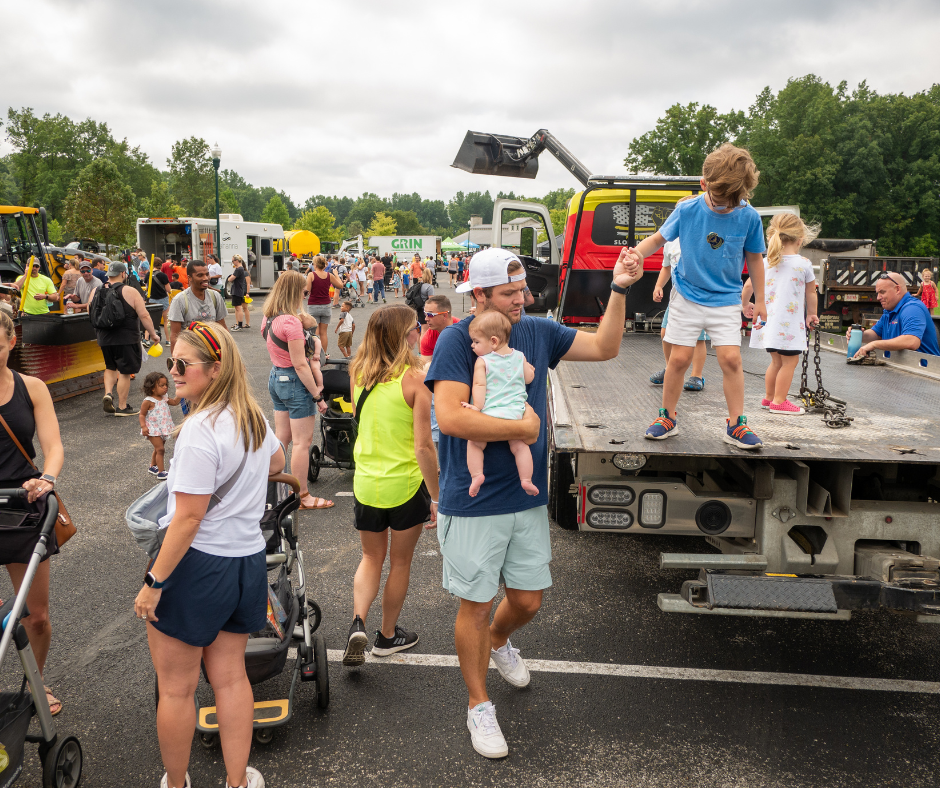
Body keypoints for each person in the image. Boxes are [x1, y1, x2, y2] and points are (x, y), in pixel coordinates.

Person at [425, 246, 641, 758]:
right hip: (474, 499)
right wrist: (522, 427)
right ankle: (479, 707)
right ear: (478, 295)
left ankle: (500, 643)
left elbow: (607, 347)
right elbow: (452, 418)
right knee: (474, 606)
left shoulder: (539, 331)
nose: (522, 299)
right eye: (508, 292)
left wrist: (619, 288)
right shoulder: (459, 340)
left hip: (525, 496)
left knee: (527, 600)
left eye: (523, 289)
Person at [134, 321, 280, 788]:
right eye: (170, 363)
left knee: (177, 689)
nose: (173, 372)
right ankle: (237, 781)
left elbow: (189, 518)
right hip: (247, 561)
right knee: (232, 679)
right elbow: (277, 462)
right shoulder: (250, 416)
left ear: (214, 370)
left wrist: (154, 582)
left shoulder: (198, 428)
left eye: (182, 365)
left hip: (199, 565)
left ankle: (177, 783)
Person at [627, 143, 767, 449]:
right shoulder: (688, 209)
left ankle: (736, 424)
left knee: (731, 359)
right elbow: (657, 239)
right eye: (720, 201)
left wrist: (762, 301)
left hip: (726, 299)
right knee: (678, 359)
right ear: (704, 185)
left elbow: (755, 259)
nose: (726, 207)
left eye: (735, 201)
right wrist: (635, 254)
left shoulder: (749, 216)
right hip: (687, 295)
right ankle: (667, 417)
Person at [341, 305, 440, 668]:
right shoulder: (415, 379)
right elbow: (423, 446)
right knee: (400, 562)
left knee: (370, 557)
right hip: (407, 483)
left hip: (367, 482)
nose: (420, 331)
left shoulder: (359, 372)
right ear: (405, 334)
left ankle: (358, 621)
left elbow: (359, 417)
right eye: (416, 327)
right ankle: (386, 635)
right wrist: (438, 496)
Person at [0, 311, 65, 716]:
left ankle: (34, 683)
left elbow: (53, 446)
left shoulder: (32, 387)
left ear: (10, 341)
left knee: (36, 616)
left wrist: (47, 477)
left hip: (23, 505)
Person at [263, 271, 333, 511]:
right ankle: (302, 495)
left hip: (276, 377)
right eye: (304, 291)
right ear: (295, 292)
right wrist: (317, 395)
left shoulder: (269, 318)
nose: (307, 293)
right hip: (294, 381)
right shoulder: (291, 322)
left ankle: (276, 487)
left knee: (282, 437)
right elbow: (300, 364)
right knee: (302, 442)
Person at [740, 213, 820, 415]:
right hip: (789, 325)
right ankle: (779, 401)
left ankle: (768, 398)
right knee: (790, 362)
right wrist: (812, 314)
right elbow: (811, 292)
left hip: (768, 324)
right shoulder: (803, 264)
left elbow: (749, 285)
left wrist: (745, 304)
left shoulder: (765, 262)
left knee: (776, 361)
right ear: (800, 239)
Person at [463, 311, 537, 497]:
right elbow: (528, 379)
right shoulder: (520, 357)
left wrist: (477, 408)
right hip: (515, 414)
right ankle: (526, 479)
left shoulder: (483, 361)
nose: (472, 345)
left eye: (476, 341)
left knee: (475, 443)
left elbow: (479, 385)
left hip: (491, 415)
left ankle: (477, 476)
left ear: (493, 341)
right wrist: (531, 371)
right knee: (520, 447)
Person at [93, 262, 160, 417]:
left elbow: (92, 312)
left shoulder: (97, 290)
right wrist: (153, 334)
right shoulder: (130, 291)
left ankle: (108, 394)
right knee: (124, 372)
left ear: (108, 274)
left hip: (104, 337)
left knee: (110, 367)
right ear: (123, 274)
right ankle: (122, 407)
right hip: (126, 338)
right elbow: (144, 315)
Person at [649, 239, 708, 391]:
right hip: (677, 297)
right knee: (665, 332)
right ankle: (670, 369)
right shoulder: (670, 243)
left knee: (698, 338)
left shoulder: (700, 239)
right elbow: (666, 268)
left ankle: (697, 376)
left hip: (698, 298)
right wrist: (658, 286)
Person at [849, 271, 940, 358]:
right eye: (877, 293)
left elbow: (912, 341)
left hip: (923, 371)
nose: (878, 297)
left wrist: (874, 344)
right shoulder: (889, 310)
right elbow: (876, 334)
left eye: (882, 292)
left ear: (897, 289)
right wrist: (858, 334)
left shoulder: (912, 308)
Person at [167, 260, 229, 348]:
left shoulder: (215, 296)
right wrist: (176, 360)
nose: (205, 278)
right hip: (190, 353)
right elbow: (175, 336)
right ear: (190, 278)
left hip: (213, 352)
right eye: (200, 275)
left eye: (207, 274)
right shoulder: (179, 300)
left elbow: (223, 329)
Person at [139, 371, 181, 479]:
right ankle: (161, 472)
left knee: (158, 448)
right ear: (152, 387)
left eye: (166, 384)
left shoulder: (164, 397)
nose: (165, 387)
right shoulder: (148, 401)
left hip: (163, 427)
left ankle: (153, 466)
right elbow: (142, 415)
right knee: (161, 449)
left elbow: (175, 402)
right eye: (162, 385)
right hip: (153, 429)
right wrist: (143, 427)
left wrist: (181, 394)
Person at [305, 255, 344, 360]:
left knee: (315, 333)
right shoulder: (329, 275)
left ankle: (315, 355)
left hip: (313, 305)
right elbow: (340, 285)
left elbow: (307, 290)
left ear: (315, 265)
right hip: (326, 305)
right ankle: (324, 354)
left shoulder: (311, 275)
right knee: (323, 333)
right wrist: (336, 274)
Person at [228, 255, 250, 331]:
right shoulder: (240, 269)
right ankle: (238, 324)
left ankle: (239, 324)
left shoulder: (239, 269)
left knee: (238, 308)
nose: (233, 263)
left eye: (233, 261)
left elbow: (230, 279)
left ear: (237, 261)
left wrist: (230, 277)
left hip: (237, 290)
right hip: (237, 290)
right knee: (237, 308)